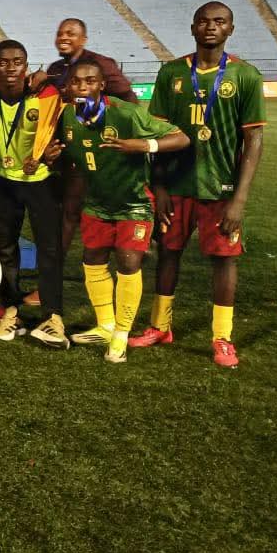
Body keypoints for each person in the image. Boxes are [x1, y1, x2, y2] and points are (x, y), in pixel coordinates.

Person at [130, 2, 266, 368]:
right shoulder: (172, 72)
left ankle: (222, 337)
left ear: (230, 29)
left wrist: (239, 200)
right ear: (192, 28)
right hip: (176, 186)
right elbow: (157, 133)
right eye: (204, 21)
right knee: (168, 252)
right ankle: (160, 326)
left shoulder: (245, 75)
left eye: (219, 21)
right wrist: (159, 188)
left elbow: (254, 140)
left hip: (221, 188)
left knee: (224, 259)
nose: (211, 27)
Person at [40, 60, 188, 362]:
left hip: (134, 203)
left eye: (90, 81)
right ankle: (105, 325)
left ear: (101, 85)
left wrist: (143, 146)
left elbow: (181, 138)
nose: (83, 87)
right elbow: (66, 154)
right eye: (76, 82)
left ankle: (121, 333)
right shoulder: (67, 116)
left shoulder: (126, 113)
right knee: (92, 259)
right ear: (68, 87)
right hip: (96, 202)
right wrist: (50, 157)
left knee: (128, 262)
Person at [0, 41, 66, 347]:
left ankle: (53, 317)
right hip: (1, 180)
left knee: (49, 250)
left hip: (41, 181)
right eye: (3, 62)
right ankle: (11, 311)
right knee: (5, 249)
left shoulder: (45, 95)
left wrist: (50, 154)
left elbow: (61, 131)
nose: (10, 68)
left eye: (17, 62)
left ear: (26, 66)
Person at [44, 18, 137, 101]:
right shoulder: (54, 68)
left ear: (83, 40)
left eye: (70, 34)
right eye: (59, 34)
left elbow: (126, 96)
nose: (63, 37)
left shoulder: (100, 64)